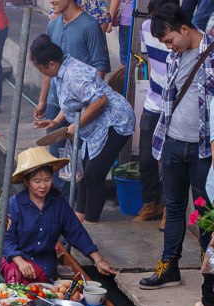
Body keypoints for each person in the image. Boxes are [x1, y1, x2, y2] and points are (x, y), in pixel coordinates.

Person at [140, 2, 213, 288]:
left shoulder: (211, 53)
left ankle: (209, 272)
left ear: (185, 29)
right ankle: (168, 265)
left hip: (204, 149)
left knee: (205, 212)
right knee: (173, 207)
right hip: (173, 144)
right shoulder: (175, 56)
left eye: (170, 40)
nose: (169, 47)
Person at [30, 35, 135, 222]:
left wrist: (75, 125)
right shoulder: (60, 72)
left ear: (52, 64)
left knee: (94, 174)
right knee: (85, 171)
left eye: (42, 69)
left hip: (116, 121)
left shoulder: (73, 75)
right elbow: (71, 101)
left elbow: (100, 101)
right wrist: (55, 121)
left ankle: (92, 220)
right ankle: (79, 214)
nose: (43, 74)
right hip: (95, 126)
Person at [2, 146, 116, 285]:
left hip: (45, 265)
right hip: (17, 261)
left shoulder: (58, 204)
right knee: (16, 283)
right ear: (26, 182)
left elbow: (76, 232)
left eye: (47, 180)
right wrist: (20, 262)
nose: (43, 186)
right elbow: (6, 239)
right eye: (37, 181)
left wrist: (98, 260)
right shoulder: (15, 204)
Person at [36, 0, 110, 124]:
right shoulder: (53, 25)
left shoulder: (90, 26)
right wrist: (43, 100)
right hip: (55, 102)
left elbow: (100, 67)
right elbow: (48, 67)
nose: (51, 1)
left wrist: (88, 104)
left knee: (78, 142)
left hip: (81, 106)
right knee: (54, 142)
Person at [134, 15, 169, 223]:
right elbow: (149, 61)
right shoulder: (146, 27)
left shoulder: (181, 32)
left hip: (173, 107)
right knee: (145, 158)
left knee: (168, 162)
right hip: (152, 103)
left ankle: (168, 210)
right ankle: (151, 204)